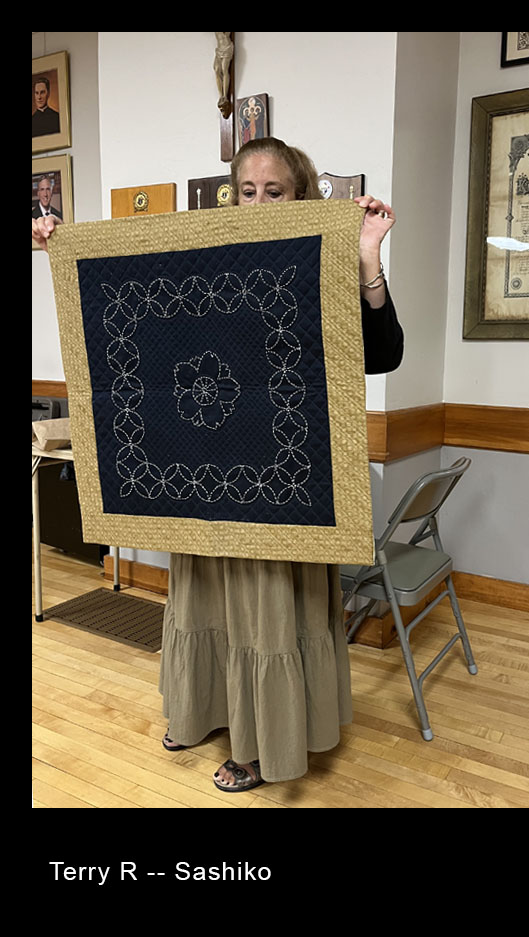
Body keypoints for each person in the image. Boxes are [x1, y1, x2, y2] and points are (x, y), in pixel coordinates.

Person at [31, 136, 404, 793]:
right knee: (202, 599)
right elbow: (126, 305)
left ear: (301, 196)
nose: (259, 203)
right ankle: (200, 710)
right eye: (248, 191)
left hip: (284, 480)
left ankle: (264, 745)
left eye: (275, 191)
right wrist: (63, 244)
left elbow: (382, 356)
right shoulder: (200, 261)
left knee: (267, 612)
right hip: (202, 473)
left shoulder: (314, 263)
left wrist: (367, 255)